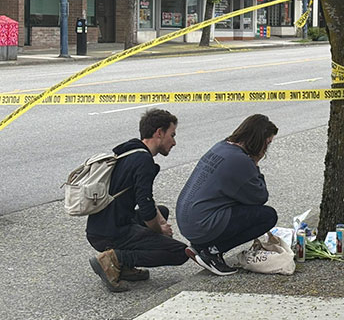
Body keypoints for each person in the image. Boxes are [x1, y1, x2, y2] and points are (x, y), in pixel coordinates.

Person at [86, 109, 188, 292]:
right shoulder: (144, 162)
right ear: (159, 133)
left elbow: (147, 200)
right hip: (111, 232)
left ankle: (123, 268)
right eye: (171, 135)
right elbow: (147, 210)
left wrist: (160, 220)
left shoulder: (131, 149)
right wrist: (161, 230)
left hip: (99, 226)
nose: (174, 142)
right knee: (180, 252)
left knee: (162, 211)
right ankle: (115, 259)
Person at [176, 114, 279, 276]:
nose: (266, 150)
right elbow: (260, 196)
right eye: (268, 143)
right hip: (202, 224)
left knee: (238, 204)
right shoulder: (241, 160)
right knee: (267, 216)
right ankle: (212, 252)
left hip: (188, 220)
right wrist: (255, 164)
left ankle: (201, 246)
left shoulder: (221, 146)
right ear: (259, 140)